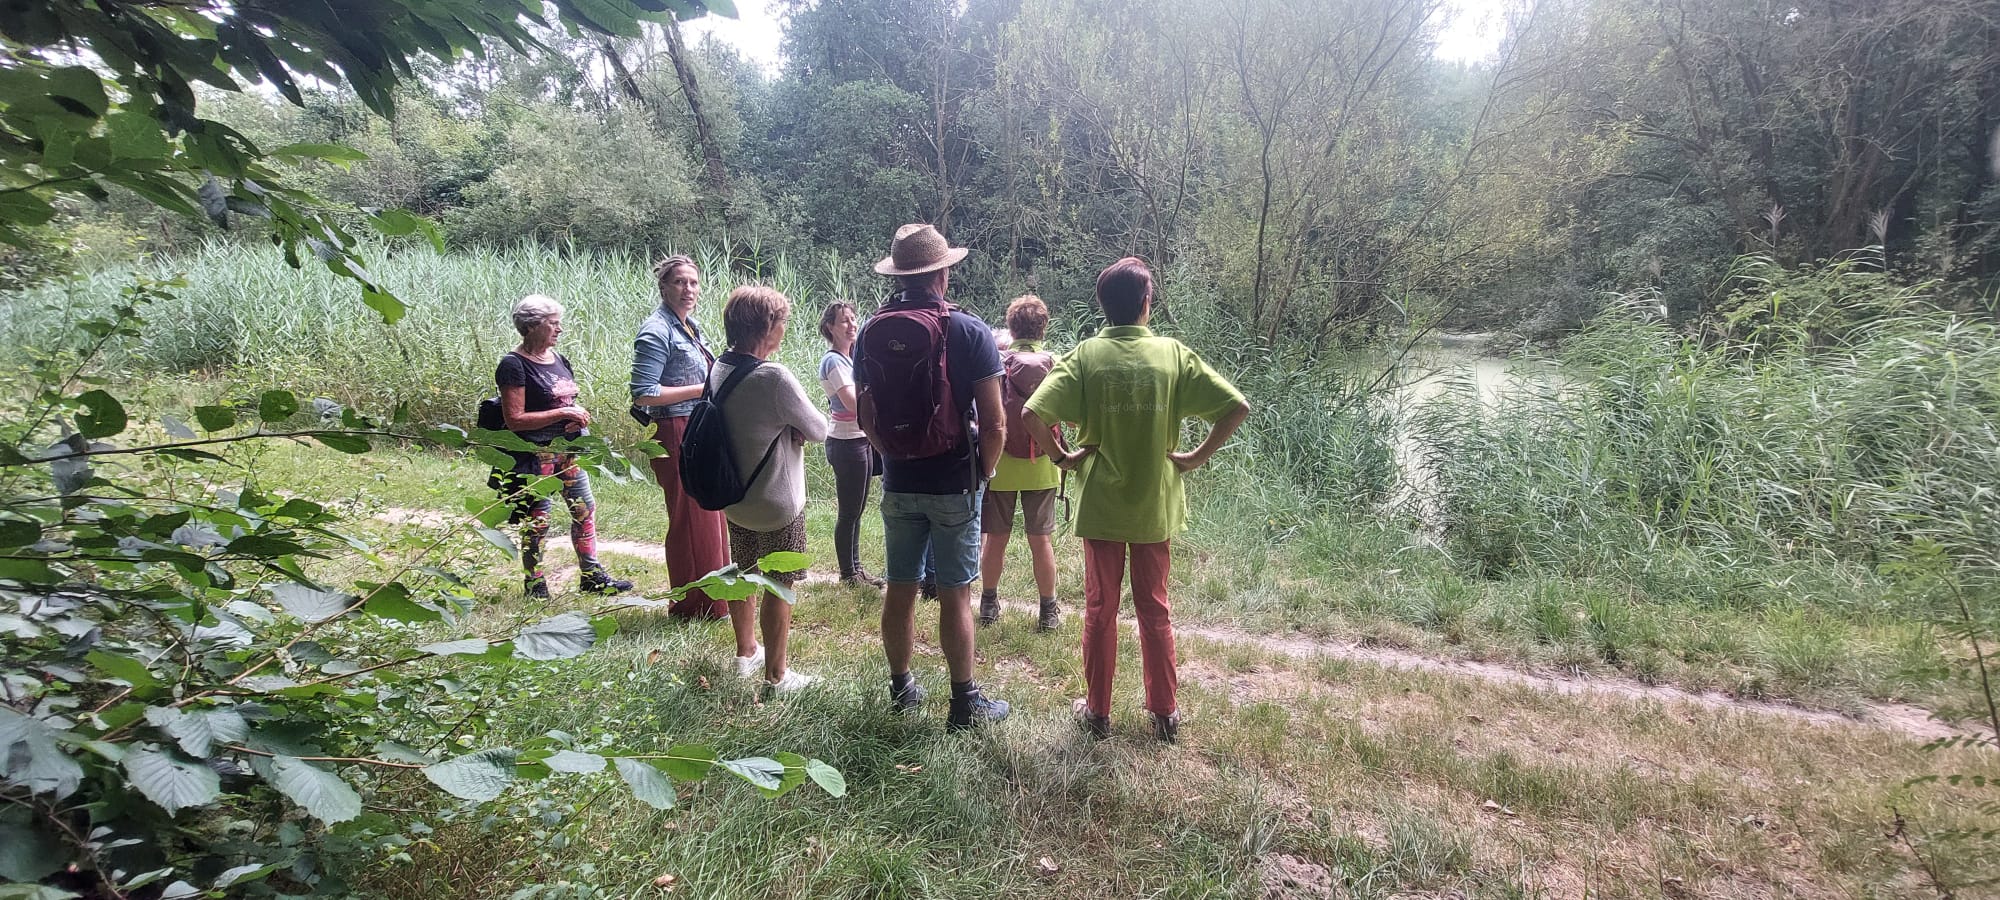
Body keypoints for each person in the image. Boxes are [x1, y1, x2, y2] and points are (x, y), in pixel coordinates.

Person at [1023, 258, 1250, 743]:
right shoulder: (1171, 354)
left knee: (1100, 609)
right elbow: (1236, 407)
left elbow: (1031, 414)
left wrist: (1062, 458)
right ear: (1147, 303)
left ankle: (1098, 712)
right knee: (1155, 607)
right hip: (1154, 505)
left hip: (1101, 507)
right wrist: (1195, 458)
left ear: (1104, 307)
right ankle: (1165, 713)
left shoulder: (1086, 355)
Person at [853, 223, 1011, 730]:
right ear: (943, 271)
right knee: (955, 591)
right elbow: (995, 422)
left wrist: (892, 454)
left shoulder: (870, 329)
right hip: (953, 481)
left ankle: (902, 689)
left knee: (899, 586)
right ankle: (964, 702)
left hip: (899, 480)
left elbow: (865, 416)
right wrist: (982, 473)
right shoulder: (968, 330)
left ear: (900, 275)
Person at [711, 285, 827, 693]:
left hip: (734, 498)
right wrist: (791, 425)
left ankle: (746, 653)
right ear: (768, 327)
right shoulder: (774, 377)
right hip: (778, 501)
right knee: (780, 583)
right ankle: (777, 675)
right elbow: (819, 428)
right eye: (783, 323)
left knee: (744, 572)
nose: (784, 330)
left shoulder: (719, 368)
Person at [495, 294, 633, 599]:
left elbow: (562, 400)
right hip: (535, 454)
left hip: (568, 451)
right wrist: (563, 414)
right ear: (532, 326)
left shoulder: (559, 360)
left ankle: (592, 576)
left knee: (584, 509)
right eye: (553, 324)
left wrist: (575, 417)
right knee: (538, 519)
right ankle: (535, 583)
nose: (560, 330)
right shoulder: (513, 365)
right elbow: (515, 419)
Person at [630, 255, 731, 621]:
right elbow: (643, 392)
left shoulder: (690, 326)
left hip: (696, 428)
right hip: (674, 431)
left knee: (709, 515)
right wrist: (700, 388)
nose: (688, 289)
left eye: (693, 282)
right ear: (663, 287)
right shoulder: (656, 331)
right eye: (679, 282)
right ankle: (692, 606)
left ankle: (717, 600)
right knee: (689, 519)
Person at [978, 295, 1064, 631]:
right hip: (1043, 462)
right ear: (1043, 327)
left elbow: (986, 413)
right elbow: (1066, 416)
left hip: (1001, 464)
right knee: (1040, 539)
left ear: (1011, 327)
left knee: (995, 538)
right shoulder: (1055, 364)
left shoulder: (997, 363)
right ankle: (1048, 611)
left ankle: (988, 604)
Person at [817, 301, 885, 588]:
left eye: (853, 319)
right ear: (830, 327)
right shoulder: (833, 361)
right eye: (844, 321)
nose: (852, 324)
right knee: (848, 511)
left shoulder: (849, 359)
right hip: (846, 443)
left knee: (856, 510)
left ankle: (856, 570)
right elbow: (853, 402)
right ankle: (848, 574)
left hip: (859, 441)